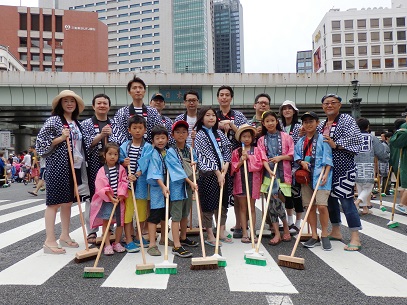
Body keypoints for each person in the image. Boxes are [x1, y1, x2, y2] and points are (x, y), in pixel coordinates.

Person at [36, 90, 91, 254]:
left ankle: (65, 236)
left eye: (72, 101)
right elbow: (40, 145)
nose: (69, 104)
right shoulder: (53, 121)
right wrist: (60, 138)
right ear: (60, 104)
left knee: (68, 202)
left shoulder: (76, 123)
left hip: (74, 167)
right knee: (54, 203)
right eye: (65, 101)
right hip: (58, 166)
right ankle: (49, 240)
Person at [318, 93, 362, 251]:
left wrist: (335, 144)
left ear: (339, 105)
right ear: (322, 106)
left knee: (346, 201)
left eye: (333, 103)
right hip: (326, 169)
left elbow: (356, 139)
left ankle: (355, 236)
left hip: (344, 167)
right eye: (326, 103)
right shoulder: (322, 124)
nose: (329, 105)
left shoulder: (346, 120)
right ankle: (336, 231)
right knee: (330, 202)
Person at [294, 112, 333, 250]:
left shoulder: (323, 139)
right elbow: (296, 156)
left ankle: (325, 234)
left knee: (322, 205)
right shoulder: (300, 141)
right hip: (306, 177)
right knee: (309, 206)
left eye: (311, 121)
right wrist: (301, 162)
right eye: (305, 122)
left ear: (317, 122)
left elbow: (328, 158)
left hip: (321, 176)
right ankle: (314, 236)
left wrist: (326, 173)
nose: (308, 124)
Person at [194, 106, 232, 246]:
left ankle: (221, 232)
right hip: (209, 174)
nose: (211, 118)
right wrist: (217, 173)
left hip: (223, 172)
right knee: (209, 205)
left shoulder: (219, 133)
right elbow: (205, 155)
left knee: (223, 204)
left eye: (213, 115)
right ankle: (210, 234)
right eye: (208, 115)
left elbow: (228, 148)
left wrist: (226, 165)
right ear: (202, 118)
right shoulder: (199, 135)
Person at [216, 85, 248, 238]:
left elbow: (246, 134)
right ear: (217, 98)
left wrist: (232, 126)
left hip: (236, 159)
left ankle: (240, 224)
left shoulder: (239, 115)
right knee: (219, 192)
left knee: (238, 193)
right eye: (221, 95)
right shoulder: (212, 115)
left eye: (227, 95)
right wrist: (218, 125)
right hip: (218, 158)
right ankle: (218, 226)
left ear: (231, 98)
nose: (224, 97)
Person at [81, 93, 113, 244]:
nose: (102, 106)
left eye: (105, 103)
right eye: (99, 103)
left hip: (111, 165)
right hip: (93, 165)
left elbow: (118, 143)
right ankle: (92, 230)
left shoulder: (114, 123)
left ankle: (110, 227)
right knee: (93, 197)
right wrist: (101, 135)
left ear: (109, 106)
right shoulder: (86, 124)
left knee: (111, 195)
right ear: (93, 106)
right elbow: (84, 144)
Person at [257, 111, 293, 245]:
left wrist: (280, 158)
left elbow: (292, 154)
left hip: (283, 174)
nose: (270, 123)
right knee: (271, 204)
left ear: (277, 121)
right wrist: (268, 170)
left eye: (272, 120)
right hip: (268, 175)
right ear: (263, 124)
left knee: (278, 202)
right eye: (267, 121)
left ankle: (286, 229)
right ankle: (278, 232)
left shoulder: (286, 137)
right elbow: (262, 157)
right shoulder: (261, 140)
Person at [120, 115, 154, 252]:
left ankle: (139, 236)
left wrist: (137, 174)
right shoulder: (124, 146)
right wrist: (123, 162)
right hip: (127, 185)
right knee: (128, 212)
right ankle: (128, 239)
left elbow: (145, 163)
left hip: (141, 184)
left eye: (140, 128)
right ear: (129, 130)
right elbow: (118, 160)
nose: (138, 131)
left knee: (141, 212)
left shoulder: (147, 147)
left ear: (145, 129)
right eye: (134, 128)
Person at [166, 121, 199, 257]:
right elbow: (177, 170)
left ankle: (183, 237)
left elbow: (195, 164)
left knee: (185, 213)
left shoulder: (191, 150)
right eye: (178, 132)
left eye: (184, 132)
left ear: (187, 134)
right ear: (172, 135)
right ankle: (176, 245)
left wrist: (194, 165)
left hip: (189, 184)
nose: (181, 134)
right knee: (177, 215)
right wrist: (190, 182)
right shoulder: (171, 151)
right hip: (177, 187)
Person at [89, 143, 127, 255]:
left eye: (115, 154)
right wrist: (110, 197)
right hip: (107, 201)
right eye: (110, 154)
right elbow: (101, 185)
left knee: (120, 222)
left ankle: (117, 242)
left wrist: (120, 195)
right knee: (107, 222)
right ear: (104, 155)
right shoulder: (102, 170)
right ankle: (107, 244)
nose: (112, 157)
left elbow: (124, 182)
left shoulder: (121, 169)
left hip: (119, 200)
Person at [231, 124, 264, 243]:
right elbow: (233, 168)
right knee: (243, 208)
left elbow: (260, 165)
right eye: (244, 136)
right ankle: (244, 232)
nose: (246, 139)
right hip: (241, 182)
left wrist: (249, 158)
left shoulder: (257, 150)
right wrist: (241, 160)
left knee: (252, 208)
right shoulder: (236, 151)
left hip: (253, 181)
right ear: (240, 138)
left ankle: (253, 232)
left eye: (249, 136)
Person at [146, 126, 173, 256]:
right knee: (155, 215)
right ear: (153, 140)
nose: (160, 141)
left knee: (165, 214)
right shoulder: (153, 153)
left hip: (168, 186)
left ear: (167, 139)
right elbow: (154, 172)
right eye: (157, 138)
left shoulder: (168, 151)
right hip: (158, 189)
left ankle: (163, 238)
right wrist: (162, 186)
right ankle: (152, 243)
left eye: (163, 138)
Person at [111, 76, 161, 145]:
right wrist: (128, 148)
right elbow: (117, 134)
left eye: (140, 88)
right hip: (127, 151)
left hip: (150, 151)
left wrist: (150, 148)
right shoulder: (122, 112)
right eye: (134, 88)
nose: (138, 90)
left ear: (144, 91)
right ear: (129, 92)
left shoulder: (153, 112)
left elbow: (159, 131)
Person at [354, 118, 389, 215]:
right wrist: (385, 158)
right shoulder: (372, 137)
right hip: (368, 164)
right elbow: (381, 152)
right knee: (369, 187)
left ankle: (364, 208)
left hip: (355, 165)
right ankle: (357, 202)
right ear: (367, 127)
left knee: (360, 186)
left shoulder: (353, 137)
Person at [279, 100, 304, 234]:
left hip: (295, 163)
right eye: (284, 108)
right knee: (286, 193)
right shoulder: (279, 126)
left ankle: (298, 223)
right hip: (282, 165)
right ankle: (289, 221)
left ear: (294, 111)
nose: (287, 111)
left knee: (296, 194)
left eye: (290, 108)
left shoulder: (300, 126)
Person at [391, 108, 407, 213]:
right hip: (402, 161)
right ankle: (403, 203)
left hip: (398, 161)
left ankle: (403, 204)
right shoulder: (404, 129)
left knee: (403, 184)